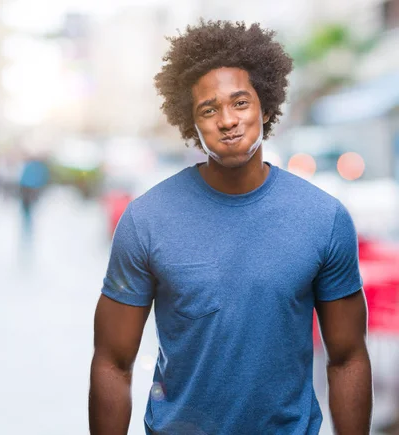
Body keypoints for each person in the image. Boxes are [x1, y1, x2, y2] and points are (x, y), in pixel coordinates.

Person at [89, 20, 372, 435]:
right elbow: (113, 362)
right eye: (209, 109)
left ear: (266, 107)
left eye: (240, 102)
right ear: (191, 122)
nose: (227, 120)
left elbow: (348, 357)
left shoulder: (323, 218)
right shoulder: (146, 220)